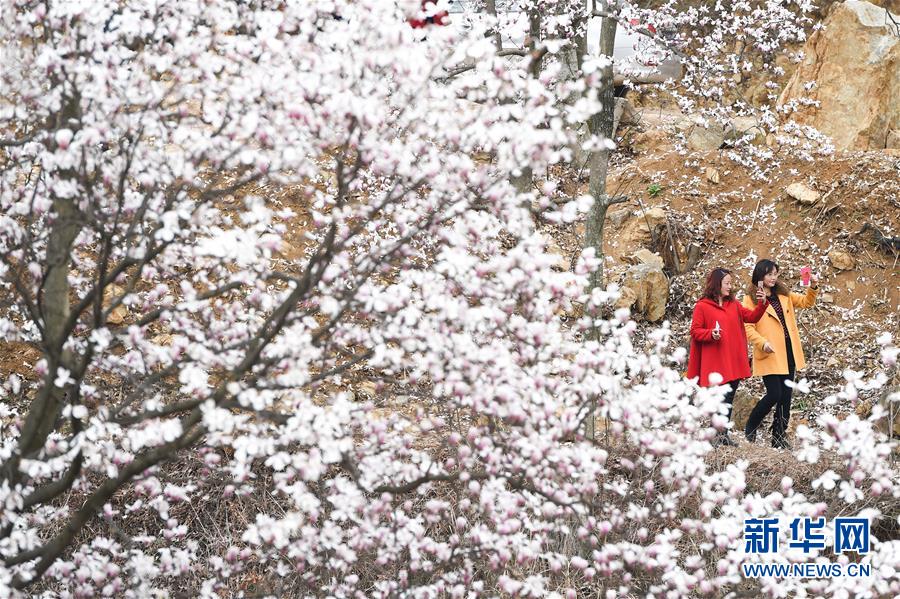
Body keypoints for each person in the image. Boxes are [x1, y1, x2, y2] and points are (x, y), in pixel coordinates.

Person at [741, 259, 819, 449]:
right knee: (774, 393)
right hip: (769, 351)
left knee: (786, 397)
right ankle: (751, 425)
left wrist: (813, 286)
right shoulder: (750, 298)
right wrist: (762, 343)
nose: (773, 277)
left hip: (788, 350)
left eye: (775, 274)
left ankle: (778, 436)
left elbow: (806, 302)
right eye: (769, 274)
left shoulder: (783, 293)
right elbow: (748, 327)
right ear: (760, 275)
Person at [686, 268, 768, 446]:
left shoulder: (734, 304)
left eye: (731, 283)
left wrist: (762, 303)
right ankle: (714, 436)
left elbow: (752, 317)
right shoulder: (702, 306)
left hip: (733, 360)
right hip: (715, 362)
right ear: (717, 284)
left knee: (729, 399)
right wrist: (710, 333)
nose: (730, 287)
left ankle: (723, 435)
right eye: (727, 283)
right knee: (718, 400)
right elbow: (695, 331)